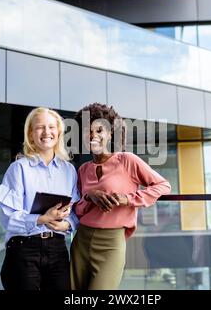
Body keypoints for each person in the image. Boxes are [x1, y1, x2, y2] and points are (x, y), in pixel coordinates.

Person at [70, 103, 171, 290]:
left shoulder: (128, 160)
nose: (93, 136)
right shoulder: (83, 170)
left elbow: (163, 186)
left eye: (99, 130)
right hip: (81, 240)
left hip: (111, 244)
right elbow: (78, 210)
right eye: (87, 131)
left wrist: (129, 199)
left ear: (111, 133)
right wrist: (89, 196)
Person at [0, 107, 79, 290]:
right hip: (24, 249)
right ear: (31, 135)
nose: (47, 132)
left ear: (59, 133)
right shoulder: (19, 168)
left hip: (58, 249)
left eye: (51, 127)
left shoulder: (69, 171)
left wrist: (67, 224)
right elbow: (8, 219)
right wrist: (41, 219)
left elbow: (77, 212)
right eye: (40, 127)